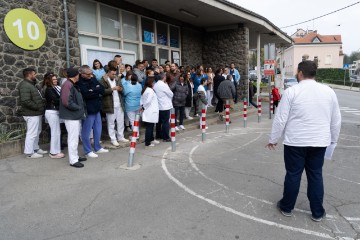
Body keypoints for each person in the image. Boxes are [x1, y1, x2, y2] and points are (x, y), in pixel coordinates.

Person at [266, 60, 341, 222]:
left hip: (295, 142)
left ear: (300, 73)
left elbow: (280, 119)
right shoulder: (329, 92)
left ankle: (287, 207)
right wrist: (333, 141)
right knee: (315, 175)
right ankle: (317, 212)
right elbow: (336, 120)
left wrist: (273, 139)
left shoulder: (292, 92)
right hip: (320, 142)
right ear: (314, 74)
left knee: (293, 174)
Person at [78, 65, 108, 158]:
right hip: (88, 110)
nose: (90, 75)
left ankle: (97, 147)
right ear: (81, 73)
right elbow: (86, 94)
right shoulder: (79, 82)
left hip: (97, 108)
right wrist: (96, 90)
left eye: (91, 73)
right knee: (86, 131)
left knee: (98, 129)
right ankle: (88, 150)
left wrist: (93, 90)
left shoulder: (93, 78)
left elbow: (102, 90)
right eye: (88, 74)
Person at [59, 67, 87, 168]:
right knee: (73, 138)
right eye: (78, 74)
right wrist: (79, 108)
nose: (79, 76)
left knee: (74, 138)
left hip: (74, 116)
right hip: (71, 116)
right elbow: (66, 102)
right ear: (76, 75)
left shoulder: (70, 84)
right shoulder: (68, 84)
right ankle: (73, 160)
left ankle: (75, 156)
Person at [17, 68, 47, 158]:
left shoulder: (31, 84)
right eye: (34, 74)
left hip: (36, 113)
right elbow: (25, 101)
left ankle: (35, 148)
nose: (36, 75)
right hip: (31, 113)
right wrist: (38, 107)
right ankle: (29, 153)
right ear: (29, 75)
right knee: (32, 133)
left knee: (37, 131)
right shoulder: (25, 85)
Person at [99, 67, 129, 146]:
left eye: (115, 74)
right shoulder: (103, 80)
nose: (114, 75)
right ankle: (113, 139)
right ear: (108, 73)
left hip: (119, 103)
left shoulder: (117, 79)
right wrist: (112, 89)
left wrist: (120, 89)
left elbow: (123, 90)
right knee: (111, 123)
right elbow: (101, 92)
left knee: (120, 122)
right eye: (112, 74)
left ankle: (121, 136)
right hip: (109, 104)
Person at [42, 72, 65, 158]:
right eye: (53, 79)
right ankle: (53, 152)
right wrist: (64, 98)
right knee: (55, 132)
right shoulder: (49, 89)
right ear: (49, 81)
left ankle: (56, 150)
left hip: (55, 111)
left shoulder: (56, 88)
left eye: (56, 79)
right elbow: (55, 100)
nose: (55, 80)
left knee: (57, 132)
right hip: (52, 112)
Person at [140, 78, 159, 148]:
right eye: (153, 83)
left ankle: (151, 139)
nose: (154, 84)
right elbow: (148, 101)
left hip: (149, 111)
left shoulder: (145, 90)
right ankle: (147, 143)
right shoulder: (150, 90)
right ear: (150, 83)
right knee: (149, 127)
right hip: (150, 111)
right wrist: (143, 107)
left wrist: (142, 106)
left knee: (150, 126)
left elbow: (141, 100)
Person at [154, 73, 173, 142]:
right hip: (165, 106)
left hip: (158, 105)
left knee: (158, 122)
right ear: (164, 77)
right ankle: (166, 137)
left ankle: (158, 135)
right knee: (165, 122)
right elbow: (171, 94)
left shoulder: (155, 84)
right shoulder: (164, 85)